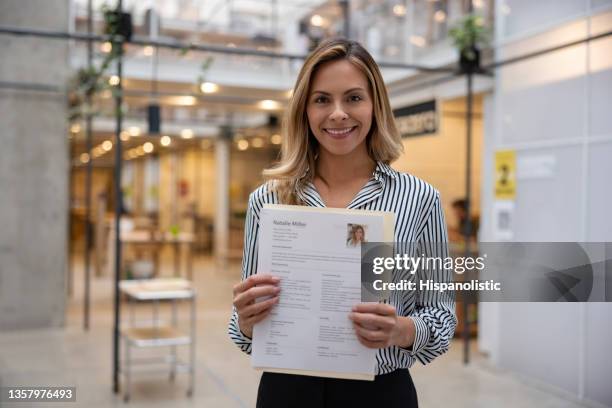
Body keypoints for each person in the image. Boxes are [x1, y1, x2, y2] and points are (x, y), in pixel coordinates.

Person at [228, 38, 456, 408]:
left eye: (353, 98)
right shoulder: (268, 201)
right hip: (286, 391)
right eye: (322, 100)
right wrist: (247, 320)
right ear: (304, 109)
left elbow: (441, 318)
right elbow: (243, 332)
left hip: (380, 393)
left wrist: (400, 330)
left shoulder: (419, 200)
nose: (337, 114)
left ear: (374, 106)